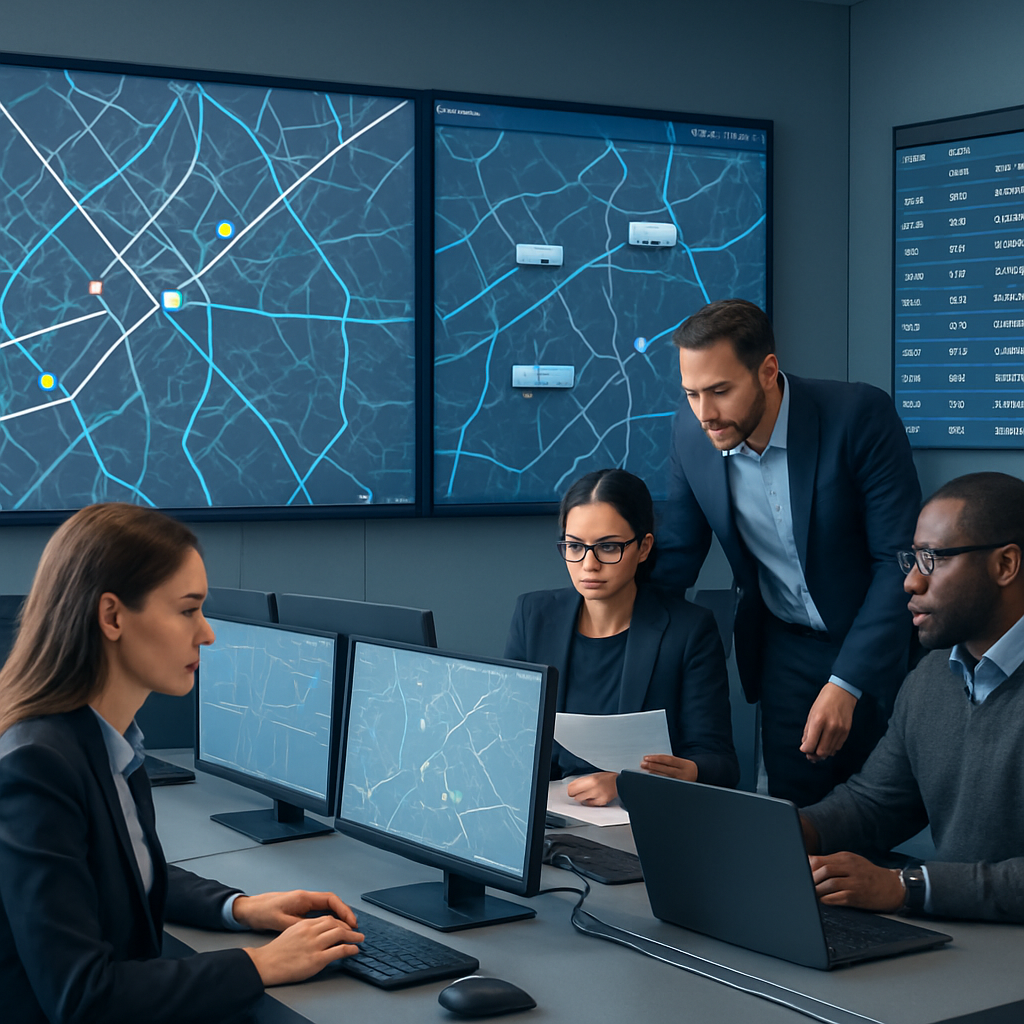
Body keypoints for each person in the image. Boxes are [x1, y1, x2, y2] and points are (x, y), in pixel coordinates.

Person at [0, 503, 365, 1024]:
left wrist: (240, 908)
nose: (207, 633)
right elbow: (84, 995)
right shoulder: (37, 766)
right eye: (187, 609)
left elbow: (118, 872)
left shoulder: (104, 739)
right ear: (112, 617)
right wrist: (258, 964)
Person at [656, 298, 921, 805]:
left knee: (881, 815)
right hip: (784, 649)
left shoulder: (858, 416)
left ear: (767, 371)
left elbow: (897, 561)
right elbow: (678, 554)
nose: (705, 413)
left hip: (876, 646)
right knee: (794, 822)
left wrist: (848, 682)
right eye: (691, 393)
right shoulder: (692, 434)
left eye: (720, 391)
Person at [800, 472, 1024, 922]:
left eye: (932, 560)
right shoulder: (931, 677)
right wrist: (784, 833)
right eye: (912, 560)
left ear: (1004, 565)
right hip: (959, 946)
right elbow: (874, 805)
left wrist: (906, 887)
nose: (911, 584)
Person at [504, 468, 739, 807]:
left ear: (643, 547)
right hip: (549, 813)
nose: (589, 565)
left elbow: (720, 765)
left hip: (643, 819)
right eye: (574, 546)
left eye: (609, 547)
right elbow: (510, 737)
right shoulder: (534, 616)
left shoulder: (689, 630)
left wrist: (629, 783)